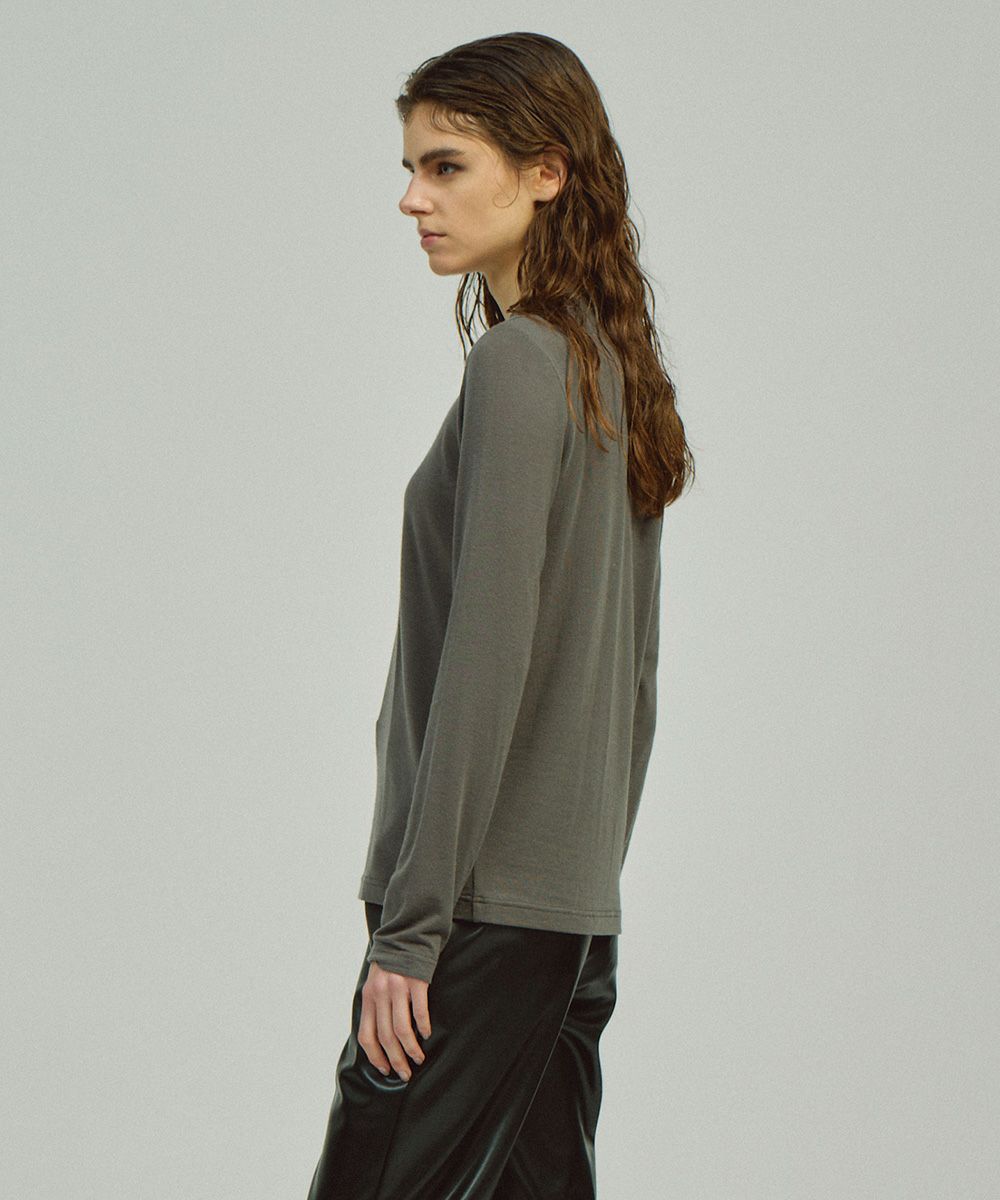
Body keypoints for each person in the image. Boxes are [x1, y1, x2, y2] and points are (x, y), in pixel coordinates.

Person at [307, 31, 694, 1200]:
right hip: (560, 916)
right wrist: (580, 889)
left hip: (474, 914)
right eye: (412, 168)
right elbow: (634, 686)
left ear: (544, 173)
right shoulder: (609, 369)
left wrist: (412, 930)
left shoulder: (523, 365)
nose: (412, 199)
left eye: (445, 167)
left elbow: (485, 660)